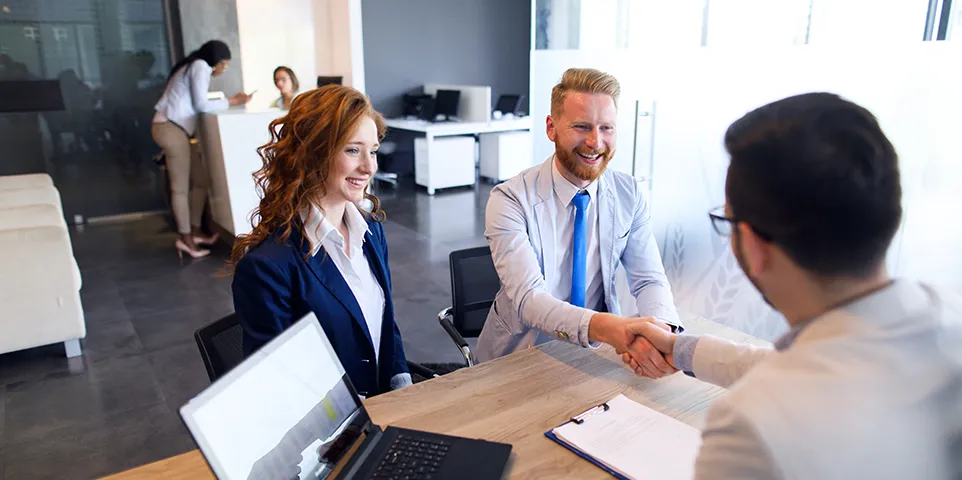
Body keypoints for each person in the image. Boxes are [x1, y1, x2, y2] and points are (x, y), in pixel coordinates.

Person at [622, 92, 962, 479]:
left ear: (751, 242)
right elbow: (804, 365)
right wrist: (679, 349)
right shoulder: (946, 320)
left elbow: (802, 375)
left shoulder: (753, 429)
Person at [475, 67, 682, 369]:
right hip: (519, 358)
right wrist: (610, 329)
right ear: (551, 128)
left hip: (596, 357)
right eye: (582, 127)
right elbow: (529, 300)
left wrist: (660, 333)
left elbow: (648, 279)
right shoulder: (509, 199)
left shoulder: (629, 194)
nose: (596, 142)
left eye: (606, 128)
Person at [227, 85, 411, 398]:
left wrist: (403, 389)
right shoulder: (267, 268)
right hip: (332, 434)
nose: (369, 167)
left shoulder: (371, 232)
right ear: (315, 153)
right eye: (353, 150)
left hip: (386, 408)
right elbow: (280, 386)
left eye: (374, 150)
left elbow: (385, 323)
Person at [152, 40, 252, 259]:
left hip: (173, 129)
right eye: (224, 64)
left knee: (201, 180)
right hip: (171, 129)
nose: (223, 70)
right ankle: (185, 238)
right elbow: (200, 104)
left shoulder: (193, 65)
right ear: (216, 61)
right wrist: (232, 100)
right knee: (179, 188)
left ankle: (196, 230)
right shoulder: (200, 67)